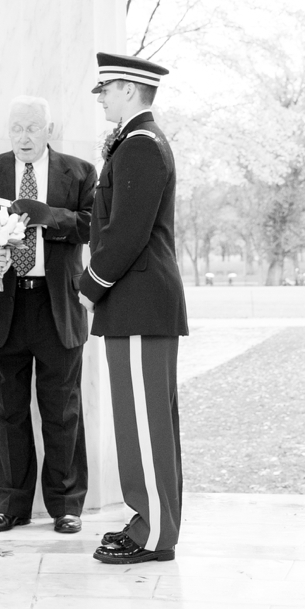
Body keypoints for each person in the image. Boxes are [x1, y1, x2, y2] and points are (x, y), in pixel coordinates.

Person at [0, 95, 96, 535]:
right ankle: (12, 504)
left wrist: (49, 217)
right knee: (8, 410)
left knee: (62, 410)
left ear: (49, 130)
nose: (24, 136)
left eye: (33, 128)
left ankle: (66, 505)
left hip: (57, 305)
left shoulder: (79, 173)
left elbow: (93, 226)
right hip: (6, 304)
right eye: (17, 127)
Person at [78, 52, 185, 564]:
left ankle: (156, 532)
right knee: (141, 421)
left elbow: (126, 233)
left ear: (127, 89)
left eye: (105, 89)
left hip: (138, 300)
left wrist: (90, 285)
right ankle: (149, 520)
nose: (100, 98)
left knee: (143, 423)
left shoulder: (140, 145)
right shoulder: (136, 142)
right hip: (137, 302)